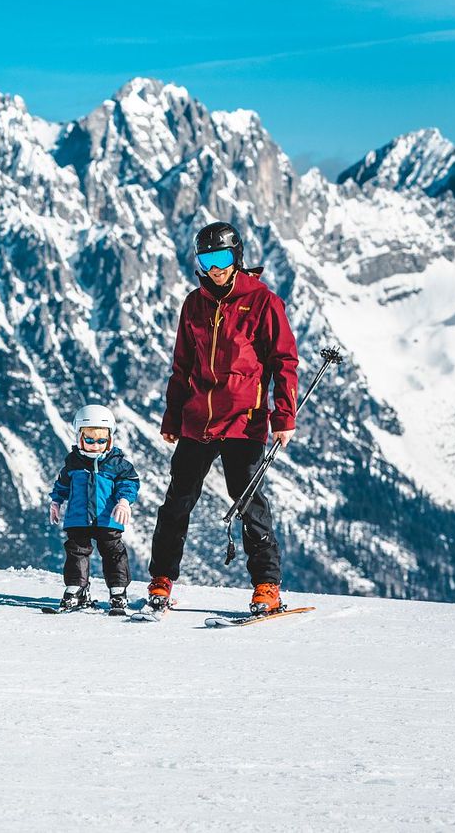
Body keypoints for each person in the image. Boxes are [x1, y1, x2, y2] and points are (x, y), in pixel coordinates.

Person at [147, 222, 300, 615]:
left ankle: (266, 585)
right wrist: (172, 417)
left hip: (244, 420)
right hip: (198, 419)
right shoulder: (193, 305)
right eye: (207, 260)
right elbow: (182, 367)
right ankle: (161, 578)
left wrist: (284, 416)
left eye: (222, 258)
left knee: (248, 502)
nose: (215, 269)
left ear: (237, 257)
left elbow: (284, 362)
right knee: (178, 500)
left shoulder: (264, 303)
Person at [48, 405, 141, 614]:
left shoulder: (117, 464)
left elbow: (129, 483)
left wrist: (124, 501)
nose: (95, 445)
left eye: (101, 440)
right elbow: (62, 484)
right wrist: (56, 501)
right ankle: (76, 588)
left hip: (108, 518)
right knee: (76, 551)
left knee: (113, 552)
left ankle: (118, 591)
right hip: (78, 518)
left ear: (110, 439)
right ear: (79, 438)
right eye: (89, 440)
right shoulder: (73, 463)